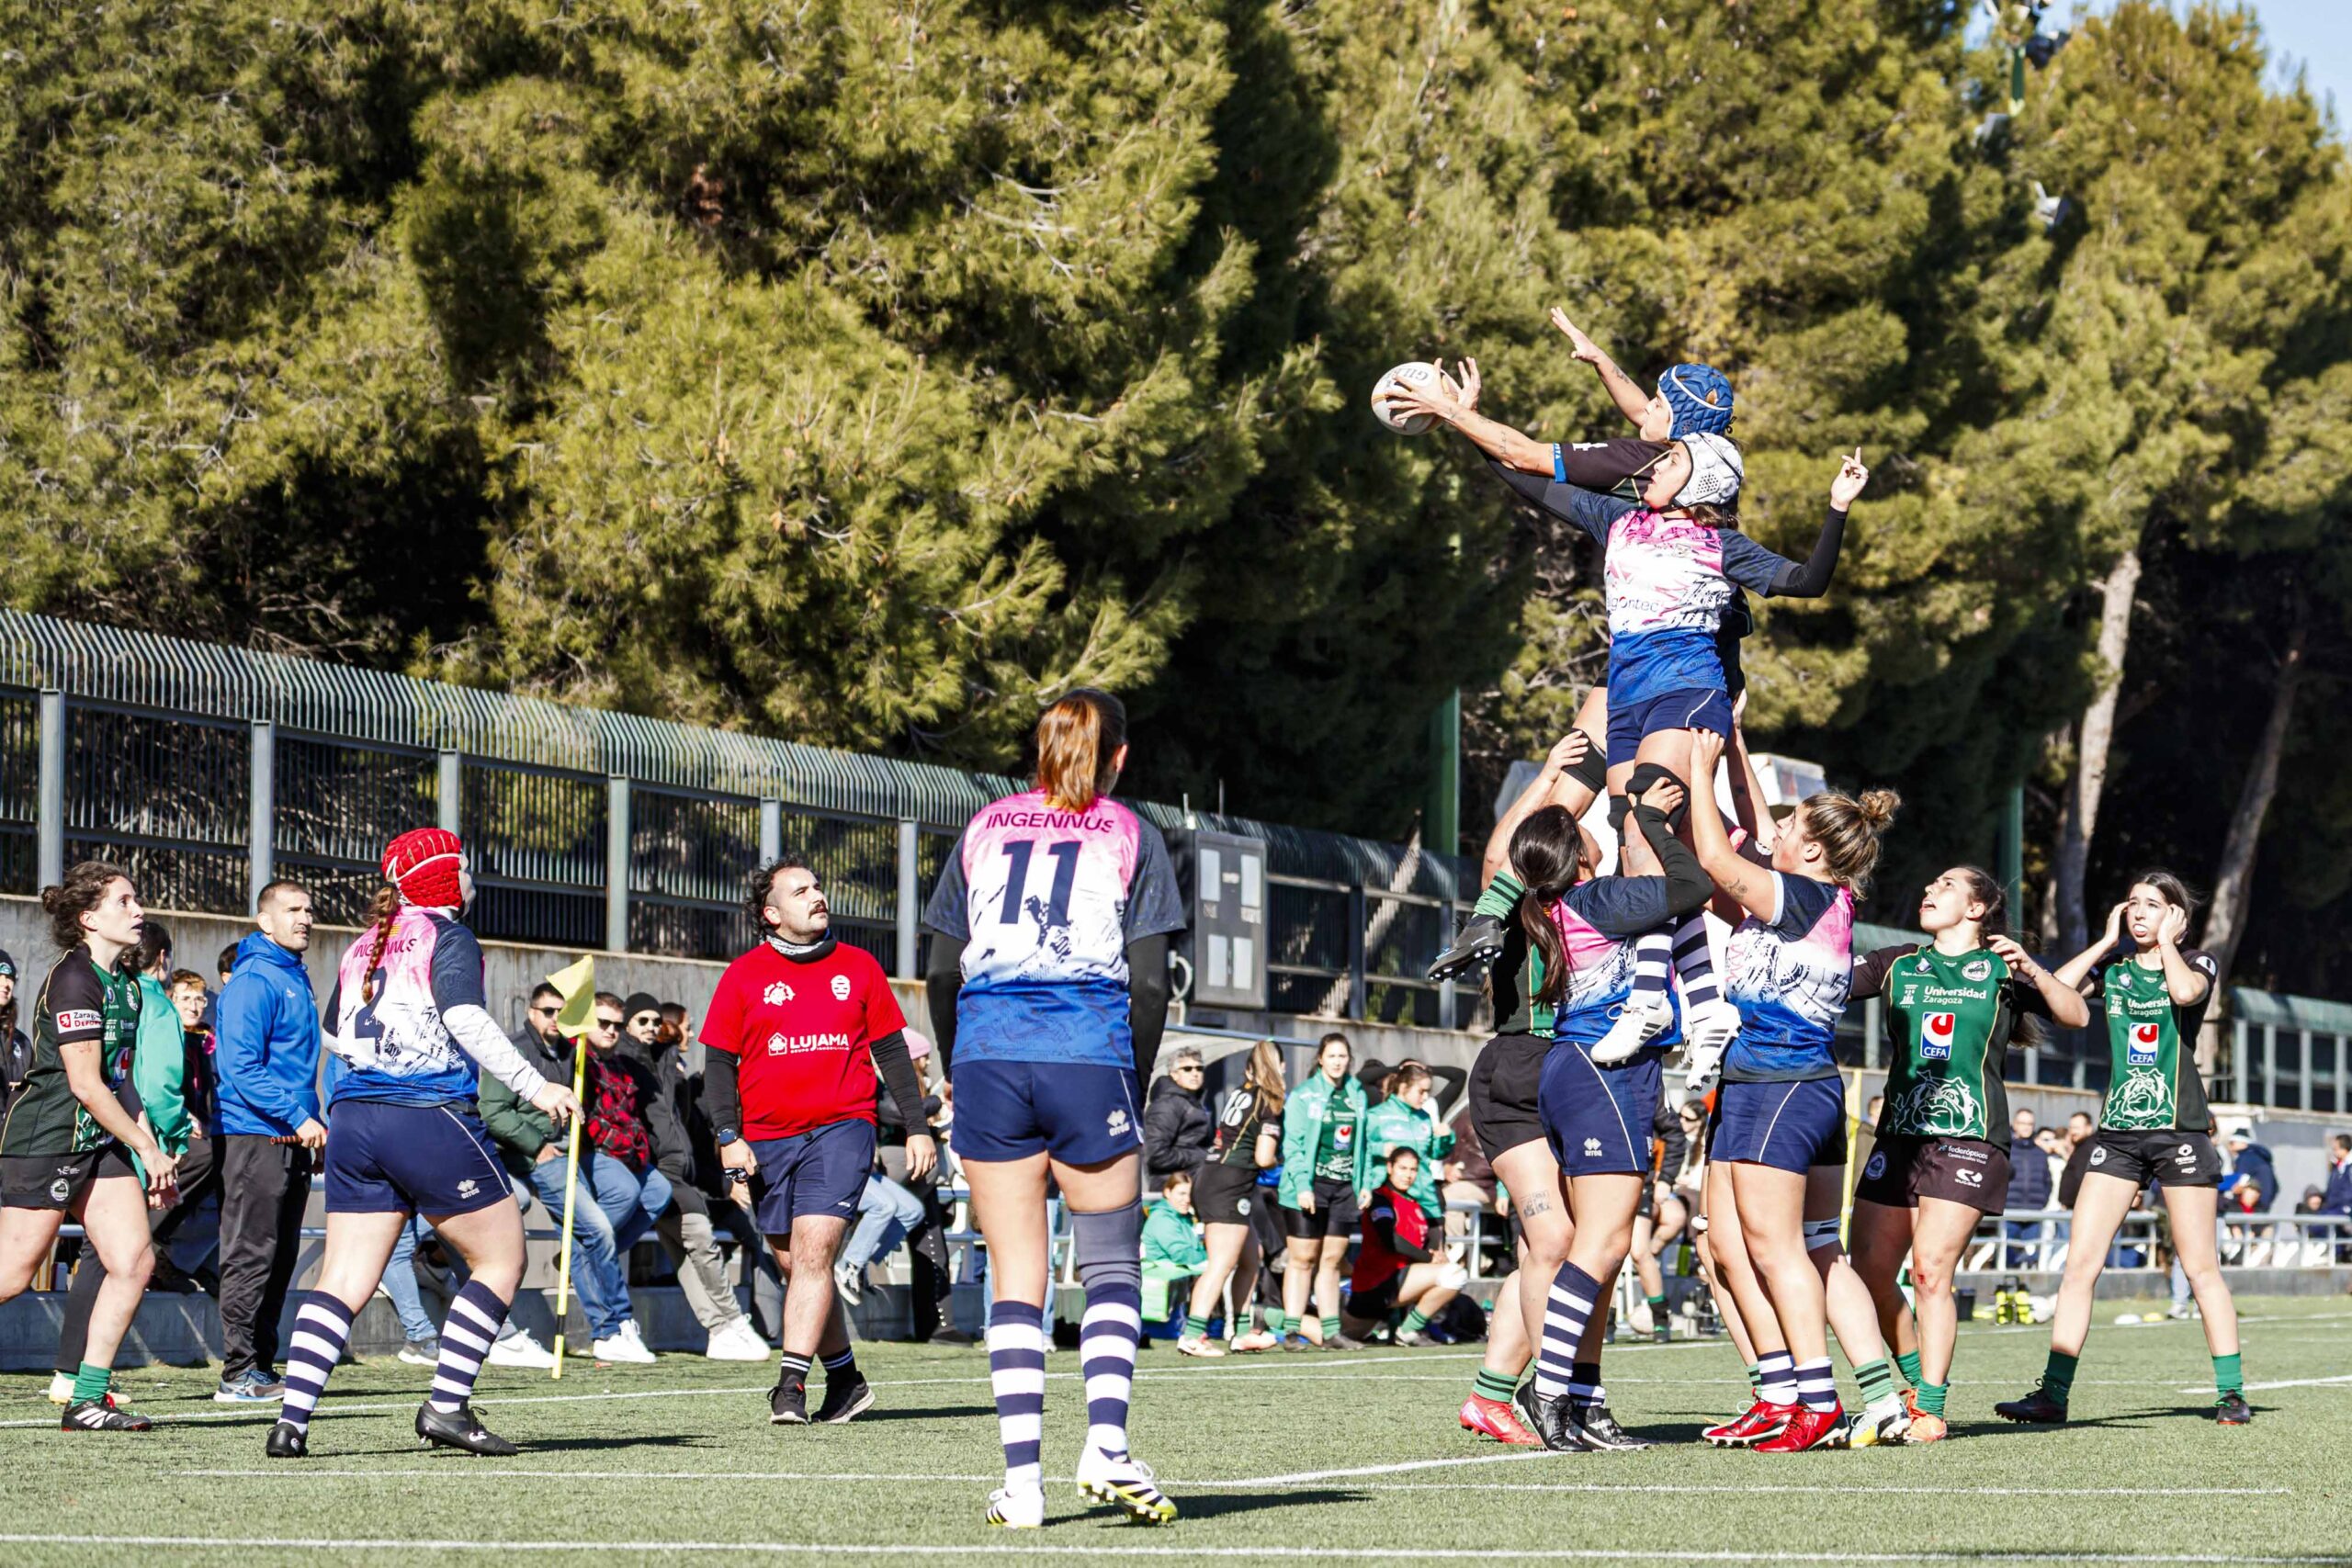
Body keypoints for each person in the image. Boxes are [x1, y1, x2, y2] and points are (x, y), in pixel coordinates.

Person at [1383, 356, 1868, 1065]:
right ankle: (1700, 1008)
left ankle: (1652, 1001)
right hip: (1629, 692)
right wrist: (1459, 424)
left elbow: (1808, 580)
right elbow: (1522, 476)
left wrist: (1837, 507)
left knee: (1646, 815)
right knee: (1637, 844)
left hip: (1687, 689)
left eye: (1666, 460)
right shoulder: (1616, 519)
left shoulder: (1720, 545)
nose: (1649, 466)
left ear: (1694, 476)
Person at [921, 688, 1184, 1528]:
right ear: (1120, 758)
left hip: (989, 1047)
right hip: (1084, 1046)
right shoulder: (1133, 831)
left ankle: (1022, 1484)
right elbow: (1147, 982)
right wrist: (1132, 1078)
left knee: (1016, 1276)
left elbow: (938, 968)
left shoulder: (983, 826)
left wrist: (962, 1059)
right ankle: (1105, 1447)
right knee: (1109, 1262)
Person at [262, 828, 583, 1460]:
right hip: (426, 1113)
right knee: (501, 1258)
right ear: (439, 878)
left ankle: (291, 1420)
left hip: (354, 1115)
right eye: (461, 865)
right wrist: (536, 1085)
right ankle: (446, 1405)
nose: (470, 876)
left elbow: (332, 1033)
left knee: (344, 1278)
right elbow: (464, 1018)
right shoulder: (450, 934)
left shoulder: (363, 945)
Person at [1683, 725, 1911, 1451]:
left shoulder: (1802, 896)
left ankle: (1814, 1400)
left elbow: (1719, 854)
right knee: (1731, 1244)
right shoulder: (1817, 891)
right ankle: (1787, 1392)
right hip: (1776, 1082)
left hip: (1779, 1084)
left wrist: (1696, 767)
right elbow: (1753, 827)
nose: (1774, 831)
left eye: (1790, 826)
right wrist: (1737, 743)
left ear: (1811, 849)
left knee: (1775, 1248)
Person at [1996, 873, 2249, 1427]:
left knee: (2200, 1266)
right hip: (2118, 1136)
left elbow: (2185, 995)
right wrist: (2105, 944)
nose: (2137, 911)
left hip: (2180, 1133)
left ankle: (2230, 1392)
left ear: (2177, 918)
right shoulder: (2113, 971)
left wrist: (2167, 943)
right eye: (2132, 902)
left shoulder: (2198, 963)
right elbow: (2053, 996)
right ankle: (2053, 1394)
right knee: (2080, 1265)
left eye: (2153, 905)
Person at [1846, 867, 2087, 1443]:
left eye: (1946, 885)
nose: (1929, 890)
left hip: (1970, 1135)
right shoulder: (1897, 962)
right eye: (1928, 885)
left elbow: (2076, 1014)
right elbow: (1827, 983)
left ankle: (1930, 1408)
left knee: (1930, 1270)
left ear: (1978, 908)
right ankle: (1910, 1385)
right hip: (1899, 1135)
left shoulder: (2004, 967)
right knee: (1870, 1272)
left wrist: (2034, 969)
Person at [1512, 774, 1713, 1452]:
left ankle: (1585, 1398)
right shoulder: (1596, 897)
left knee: (1609, 1246)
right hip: (1604, 1072)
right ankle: (1548, 1387)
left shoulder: (1554, 904)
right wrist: (1655, 823)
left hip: (1579, 1070)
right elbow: (1693, 888)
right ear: (1581, 853)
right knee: (1599, 1245)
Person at [706, 854, 932, 1426]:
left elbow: (892, 1054)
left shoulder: (858, 967)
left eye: (818, 886)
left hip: (842, 1128)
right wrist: (729, 1138)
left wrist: (916, 1126)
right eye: (801, 890)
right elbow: (718, 1065)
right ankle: (847, 1380)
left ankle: (789, 1387)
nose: (817, 895)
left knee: (812, 1253)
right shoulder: (743, 975)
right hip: (766, 1140)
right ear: (772, 913)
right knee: (797, 1265)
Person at [0, 863, 177, 1430]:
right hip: (46, 1139)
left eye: (136, 900)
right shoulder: (75, 978)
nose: (138, 910)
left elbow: (121, 1080)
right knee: (11, 1278)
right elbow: (83, 1083)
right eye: (124, 902)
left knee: (133, 1261)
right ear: (89, 918)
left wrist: (152, 1148)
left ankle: (87, 1399)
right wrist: (145, 1151)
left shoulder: (127, 984)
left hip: (97, 1143)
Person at [51, 922, 229, 1400]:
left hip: (114, 1138)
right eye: (123, 901)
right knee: (21, 1269)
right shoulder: (137, 998)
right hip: (105, 1139)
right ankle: (72, 1375)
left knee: (119, 1258)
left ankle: (78, 1382)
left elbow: (123, 1078)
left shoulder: (124, 994)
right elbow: (156, 1084)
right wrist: (159, 1144)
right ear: (164, 959)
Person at [480, 988, 657, 1363]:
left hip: (574, 1149)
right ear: (531, 1012)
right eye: (548, 1012)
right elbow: (493, 1113)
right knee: (598, 1231)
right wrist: (535, 1146)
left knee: (635, 1189)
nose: (555, 1019)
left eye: (563, 1012)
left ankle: (578, 1255)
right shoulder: (512, 1049)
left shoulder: (570, 1052)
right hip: (536, 1156)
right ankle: (611, 1328)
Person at [211, 879, 324, 1404]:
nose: (305, 918)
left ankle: (259, 1365)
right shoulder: (254, 979)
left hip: (292, 1136)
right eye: (293, 910)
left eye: (308, 909)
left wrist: (312, 1120)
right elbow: (240, 1068)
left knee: (278, 1256)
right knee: (250, 1251)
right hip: (256, 1135)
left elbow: (297, 1067)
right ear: (265, 921)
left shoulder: (295, 975)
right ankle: (236, 1373)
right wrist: (297, 1117)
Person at [623, 999, 768, 1360]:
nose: (652, 1027)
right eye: (643, 1020)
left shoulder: (668, 1070)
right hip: (661, 1175)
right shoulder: (634, 1062)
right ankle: (733, 1322)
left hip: (680, 1174)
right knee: (700, 1237)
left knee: (685, 1253)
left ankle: (719, 1331)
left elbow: (685, 1138)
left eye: (658, 1021)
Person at [1179, 1040, 1283, 1358]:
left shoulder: (1243, 1091)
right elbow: (1264, 1157)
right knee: (1222, 1263)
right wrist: (1280, 1158)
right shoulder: (1269, 1101)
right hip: (1230, 1184)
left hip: (1213, 1176)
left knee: (1252, 1257)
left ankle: (1241, 1333)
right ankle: (1194, 1334)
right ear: (1277, 1067)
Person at [1277, 1032, 1371, 1351]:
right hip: (1309, 1184)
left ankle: (1332, 1332)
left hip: (1344, 1187)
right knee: (1303, 1258)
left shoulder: (1357, 1094)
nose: (1337, 1062)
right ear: (1320, 1059)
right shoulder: (1303, 1095)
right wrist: (1302, 1186)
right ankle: (1292, 1330)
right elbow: (1292, 1145)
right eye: (1331, 1056)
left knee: (1332, 1259)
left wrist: (1366, 1183)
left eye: (1342, 1057)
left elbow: (1365, 1144)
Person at [1342, 1147, 1464, 1346]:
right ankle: (1406, 1332)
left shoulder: (1413, 1203)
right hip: (1376, 1284)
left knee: (1452, 1274)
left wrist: (1436, 1255)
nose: (1408, 1175)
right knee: (1454, 1274)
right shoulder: (1380, 1199)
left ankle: (1406, 1328)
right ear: (1389, 1167)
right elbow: (1391, 1241)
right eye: (1403, 1168)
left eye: (1413, 1170)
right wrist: (1429, 1258)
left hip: (1396, 1283)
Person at [1361, 1062, 1453, 1227]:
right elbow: (1359, 1151)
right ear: (1403, 1087)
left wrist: (1445, 1139)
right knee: (1395, 1250)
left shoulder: (1424, 1117)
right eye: (1421, 1091)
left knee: (1435, 1251)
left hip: (1425, 1199)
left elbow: (1435, 1154)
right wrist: (1380, 1149)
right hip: (1389, 1199)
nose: (1425, 1097)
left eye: (1428, 1092)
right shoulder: (1377, 1115)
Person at [1142, 1168, 1207, 1328]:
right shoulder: (1162, 1218)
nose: (1187, 1199)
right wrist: (1212, 1258)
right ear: (1167, 1192)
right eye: (1181, 1194)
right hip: (1163, 1277)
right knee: (1217, 1270)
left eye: (1190, 1194)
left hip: (1182, 1273)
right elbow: (1181, 1254)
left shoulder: (1185, 1218)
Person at [1142, 1047, 1212, 1181]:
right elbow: (1155, 1155)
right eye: (1187, 1069)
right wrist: (1200, 1156)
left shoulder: (1193, 1102)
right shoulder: (1167, 1104)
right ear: (1174, 1074)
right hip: (1172, 1187)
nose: (1195, 1073)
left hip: (1194, 1180)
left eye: (1199, 1068)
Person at [2006, 1108, 2053, 1268]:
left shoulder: (2040, 1152)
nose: (2026, 1127)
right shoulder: (2006, 1149)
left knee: (2031, 1256)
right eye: (2022, 1123)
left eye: (2030, 1124)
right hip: (2009, 1211)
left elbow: (2048, 1180)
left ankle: (2026, 1290)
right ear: (2014, 1124)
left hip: (2034, 1211)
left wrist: (2042, 1201)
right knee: (2007, 1255)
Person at [0, 950, 28, 1114]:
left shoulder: (21, 1042)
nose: (5, 984)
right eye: (0, 976)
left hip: (12, 1132)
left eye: (9, 977)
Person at [2224, 1127, 2277, 1213]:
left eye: (2232, 1143)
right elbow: (2276, 1187)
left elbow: (2240, 1182)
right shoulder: (2260, 1157)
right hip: (2262, 1205)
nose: (2230, 1146)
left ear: (2243, 1143)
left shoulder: (2245, 1158)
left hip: (2252, 1207)